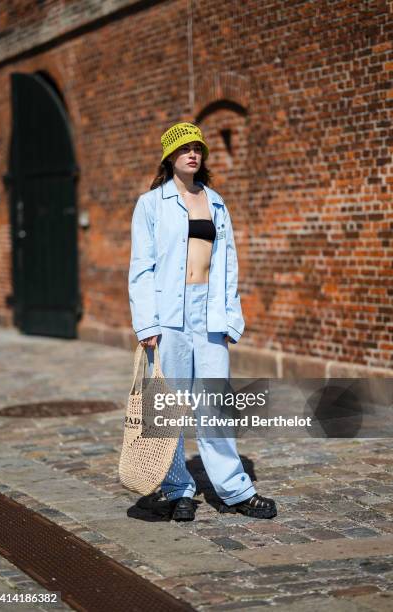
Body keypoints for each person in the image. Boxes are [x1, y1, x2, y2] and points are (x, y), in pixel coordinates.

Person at [128, 122, 277, 521]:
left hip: (207, 312)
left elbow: (228, 266)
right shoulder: (151, 204)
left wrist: (230, 316)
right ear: (169, 157)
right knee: (168, 405)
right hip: (168, 315)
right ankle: (178, 489)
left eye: (198, 148)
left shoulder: (215, 202)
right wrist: (147, 324)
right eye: (184, 149)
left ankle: (235, 489)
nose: (192, 154)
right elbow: (141, 268)